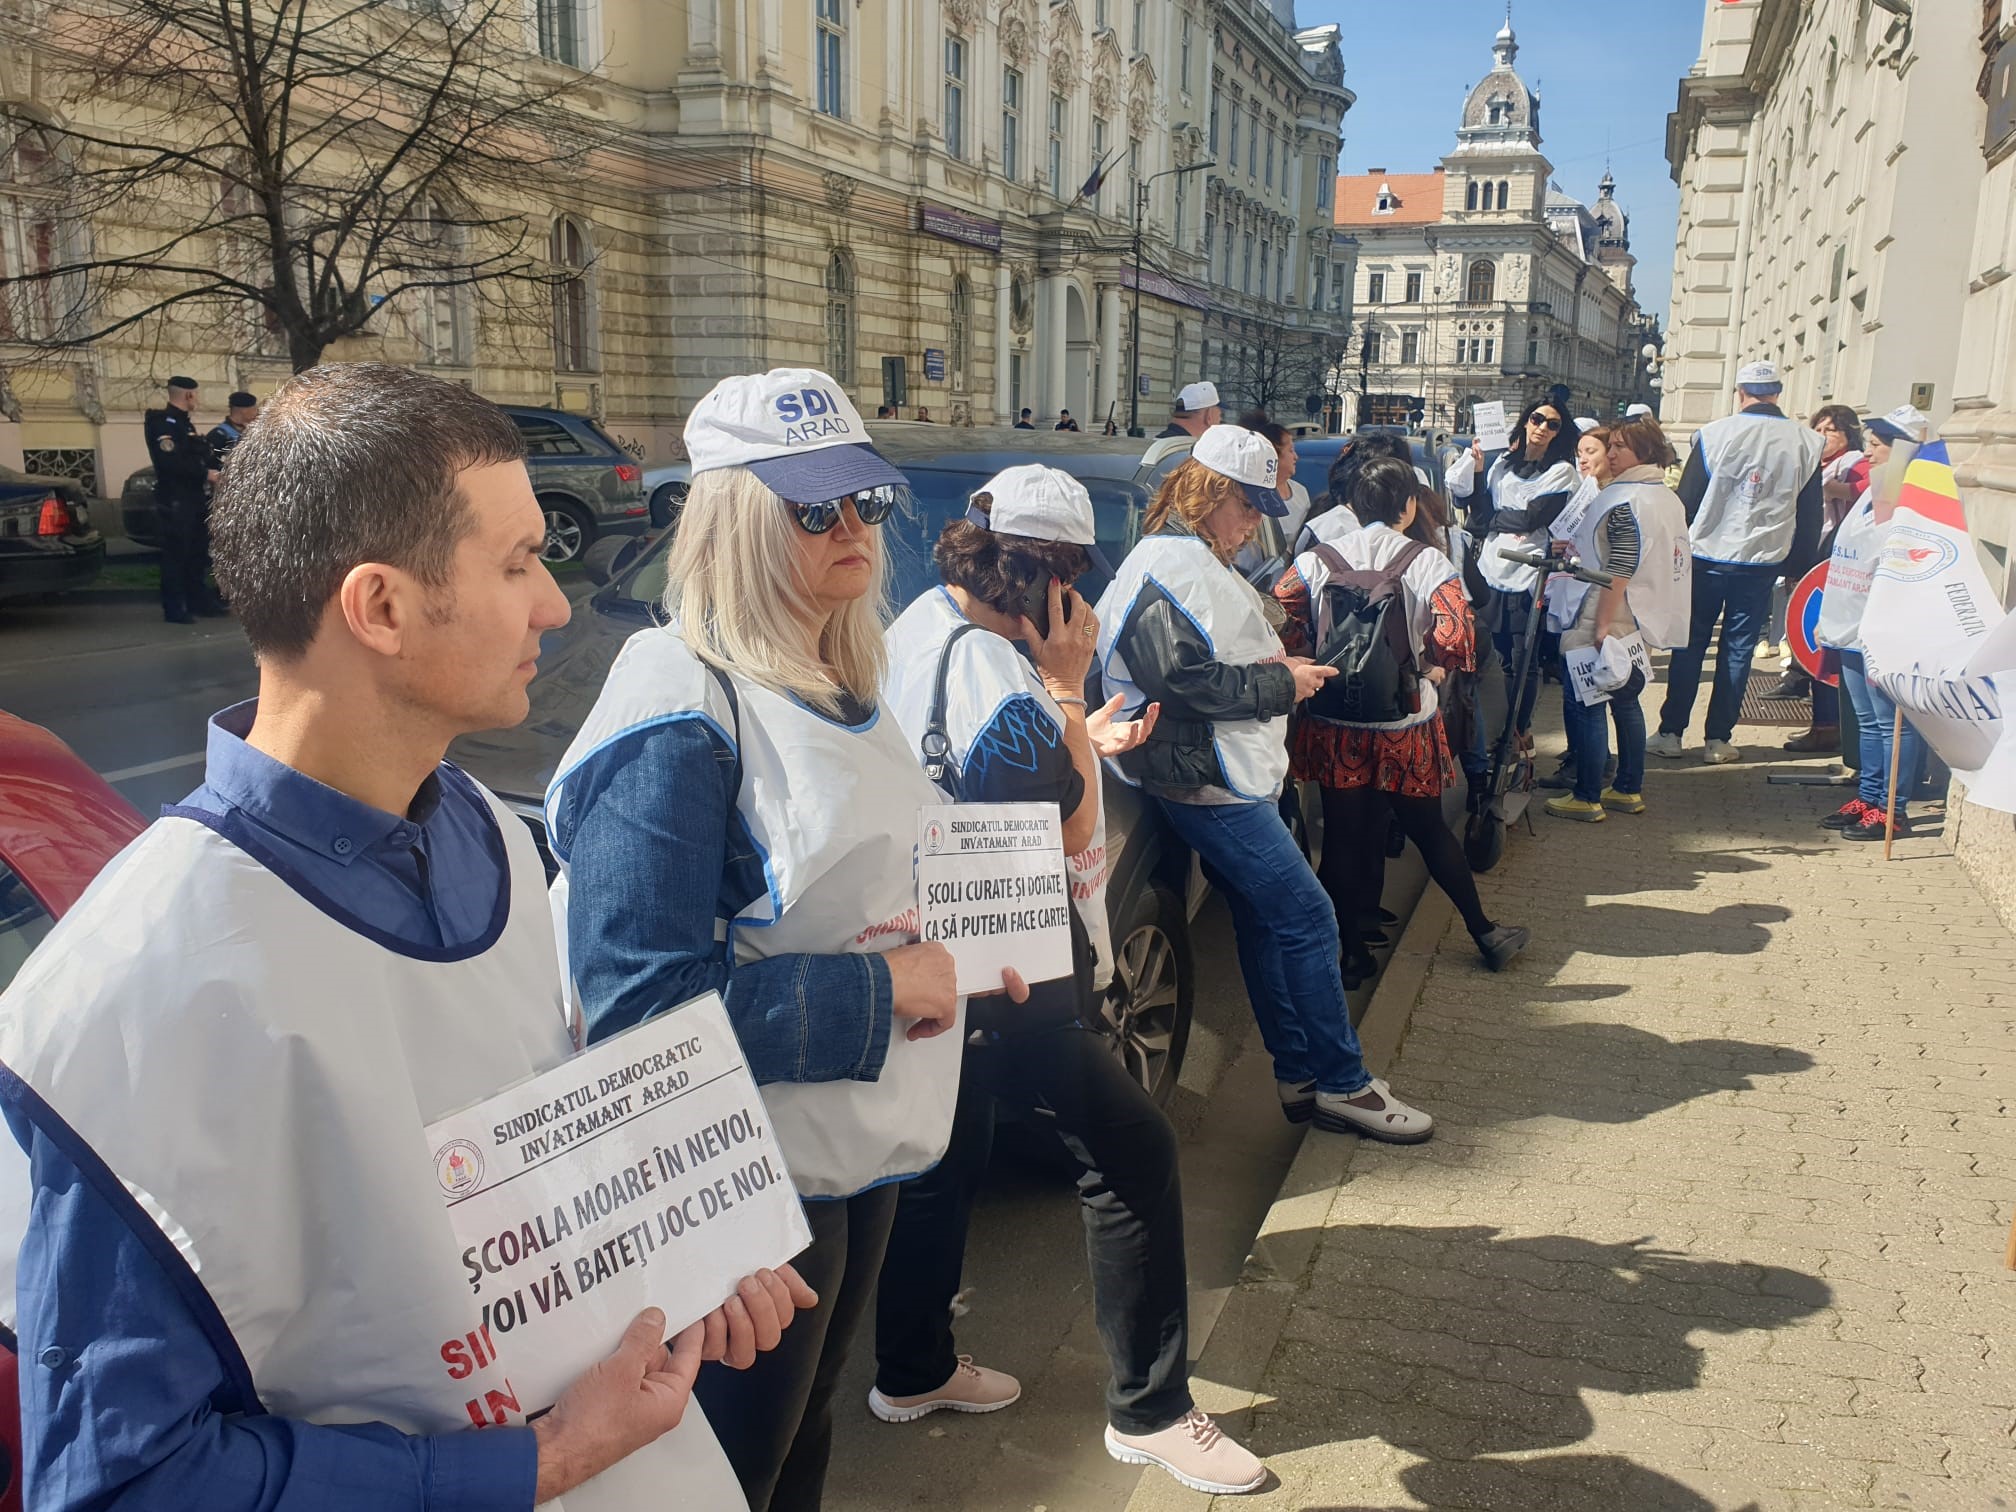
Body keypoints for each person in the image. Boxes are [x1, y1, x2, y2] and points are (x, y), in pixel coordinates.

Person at [0, 363, 815, 1512]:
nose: (554, 605)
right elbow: (124, 1482)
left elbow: (509, 1173)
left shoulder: (486, 829)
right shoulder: (136, 988)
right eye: (518, 563)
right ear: (379, 608)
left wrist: (671, 1255)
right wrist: (540, 1462)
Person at [547, 367, 994, 1512]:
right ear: (736, 522)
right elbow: (637, 1012)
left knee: (801, 1448)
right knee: (732, 1481)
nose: (854, 529)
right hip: (738, 1187)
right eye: (814, 507)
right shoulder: (679, 701)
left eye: (866, 500)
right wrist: (885, 991)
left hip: (841, 1153)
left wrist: (971, 944)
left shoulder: (837, 673)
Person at [874, 466, 1270, 1494]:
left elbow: (982, 780)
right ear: (1049, 584)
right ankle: (1151, 1411)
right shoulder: (1011, 683)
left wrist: (1070, 733)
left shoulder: (915, 628)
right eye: (1074, 580)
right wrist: (1065, 693)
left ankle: (911, 1369)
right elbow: (1066, 826)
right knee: (1132, 1156)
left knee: (945, 1153)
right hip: (1012, 967)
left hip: (928, 951)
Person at [1094, 425, 1435, 1141]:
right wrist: (1284, 683)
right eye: (1246, 505)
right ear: (1207, 492)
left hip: (1217, 772)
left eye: (1260, 507)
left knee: (1266, 916)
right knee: (1308, 917)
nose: (1253, 522)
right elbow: (1182, 680)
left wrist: (1282, 674)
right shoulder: (1172, 565)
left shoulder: (1183, 557)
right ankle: (1340, 1082)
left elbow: (1197, 667)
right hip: (1209, 780)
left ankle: (1303, 1074)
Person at [1272, 456, 1528, 986]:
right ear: (1409, 506)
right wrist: (1431, 666)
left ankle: (1347, 956)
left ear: (1353, 505)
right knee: (1429, 830)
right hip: (1405, 724)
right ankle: (1484, 932)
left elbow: (1281, 617)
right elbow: (1459, 639)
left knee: (1342, 838)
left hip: (1334, 721)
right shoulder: (1427, 561)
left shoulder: (1317, 559)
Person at [1648, 360, 1824, 765]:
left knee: (1690, 645)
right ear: (1777, 393)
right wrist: (1799, 569)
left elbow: (1687, 500)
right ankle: (1718, 740)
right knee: (1739, 649)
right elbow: (1810, 512)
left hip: (1706, 555)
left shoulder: (1714, 434)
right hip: (1762, 560)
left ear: (1740, 393)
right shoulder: (1807, 442)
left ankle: (1671, 733)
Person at [1542, 416, 1691, 822]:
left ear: (1644, 450)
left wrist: (1602, 624)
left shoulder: (1625, 498)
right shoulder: (1663, 496)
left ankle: (1587, 795)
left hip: (1606, 606)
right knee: (1625, 699)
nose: (1610, 453)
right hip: (1639, 610)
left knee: (1589, 700)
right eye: (1611, 445)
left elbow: (1620, 565)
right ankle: (1627, 788)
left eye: (1619, 446)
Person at [1815, 405, 1933, 842]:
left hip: (1881, 629)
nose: (1868, 451)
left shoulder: (1914, 502)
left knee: (1890, 723)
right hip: (1849, 624)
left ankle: (1892, 809)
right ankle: (1868, 797)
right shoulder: (1874, 490)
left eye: (1878, 444)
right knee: (1866, 720)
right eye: (1869, 442)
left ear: (1904, 450)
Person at [1447, 397, 1580, 747]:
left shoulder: (1561, 472)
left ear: (1559, 433)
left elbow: (1533, 518)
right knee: (1496, 654)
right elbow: (1478, 512)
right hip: (1491, 569)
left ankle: (1519, 731)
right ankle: (1495, 728)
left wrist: (1492, 518)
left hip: (1530, 574)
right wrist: (1478, 471)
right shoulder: (1502, 465)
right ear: (1525, 421)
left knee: (1523, 660)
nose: (1542, 428)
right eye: (1537, 419)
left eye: (1552, 424)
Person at [1773, 405, 1868, 749]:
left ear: (1848, 435)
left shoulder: (1853, 462)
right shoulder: (1816, 462)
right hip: (1813, 560)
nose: (1823, 436)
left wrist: (1838, 490)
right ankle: (1824, 723)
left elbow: (1871, 490)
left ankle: (1829, 727)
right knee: (1813, 643)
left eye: (1832, 430)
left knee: (1825, 646)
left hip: (1835, 564)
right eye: (1819, 428)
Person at [1538, 422, 1619, 793]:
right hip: (1572, 598)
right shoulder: (1586, 491)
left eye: (1591, 452)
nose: (1583, 459)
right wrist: (1563, 548)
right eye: (1579, 453)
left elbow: (1610, 556)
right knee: (1576, 694)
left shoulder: (1611, 498)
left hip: (1593, 603)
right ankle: (1582, 759)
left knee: (1585, 696)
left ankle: (1590, 774)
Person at [144, 374, 223, 623]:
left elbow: (193, 456)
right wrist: (205, 473)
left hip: (193, 498)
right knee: (176, 555)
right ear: (188, 395)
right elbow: (170, 463)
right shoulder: (163, 424)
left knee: (196, 553)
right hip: (176, 500)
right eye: (195, 395)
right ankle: (174, 607)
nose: (196, 399)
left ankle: (197, 600)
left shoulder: (183, 424)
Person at [1240, 411, 1312, 543]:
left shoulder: (1301, 491)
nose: (1296, 457)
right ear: (1272, 454)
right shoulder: (1254, 497)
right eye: (1290, 450)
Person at [205, 389, 259, 465]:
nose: (257, 413)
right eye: (255, 409)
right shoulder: (218, 435)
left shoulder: (252, 431)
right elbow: (208, 462)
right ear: (244, 411)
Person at [1158, 381, 1223, 439]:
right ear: (1209, 415)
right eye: (1220, 415)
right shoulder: (1189, 447)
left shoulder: (1160, 441)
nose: (1220, 419)